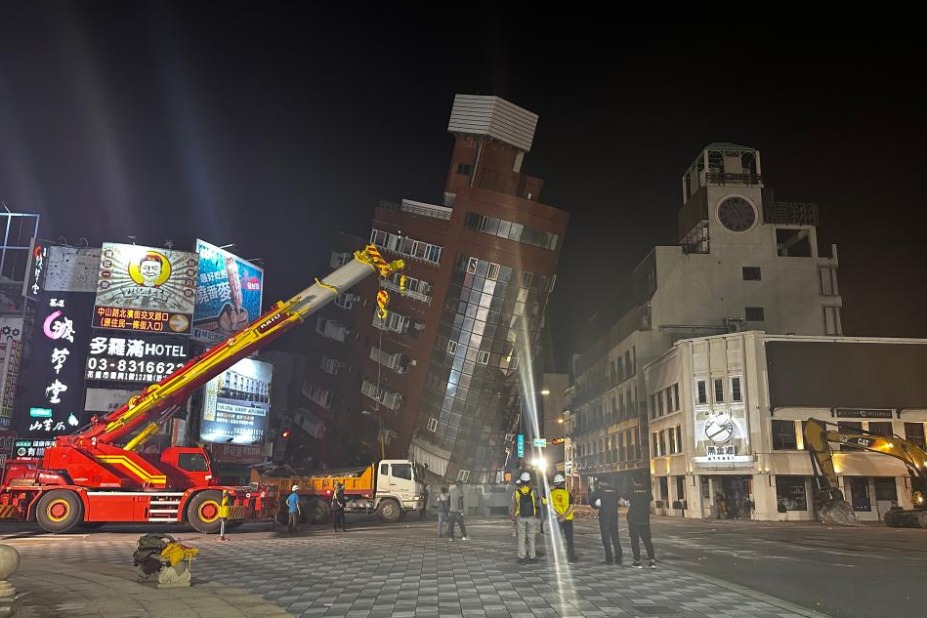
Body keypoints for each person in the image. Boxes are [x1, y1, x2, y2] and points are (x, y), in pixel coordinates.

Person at [626, 474, 656, 568]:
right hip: (644, 518)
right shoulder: (647, 490)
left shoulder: (630, 490)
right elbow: (650, 500)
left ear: (634, 481)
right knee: (647, 540)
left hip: (633, 519)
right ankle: (652, 561)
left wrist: (627, 503)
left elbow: (621, 501)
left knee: (635, 541)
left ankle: (637, 561)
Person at [590, 479, 622, 565]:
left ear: (600, 482)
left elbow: (592, 501)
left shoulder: (599, 490)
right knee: (615, 537)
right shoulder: (615, 489)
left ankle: (609, 559)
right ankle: (618, 559)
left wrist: (596, 506)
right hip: (614, 516)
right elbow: (619, 502)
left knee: (606, 538)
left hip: (604, 516)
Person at [511, 471, 541, 564]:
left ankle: (521, 557)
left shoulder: (516, 492)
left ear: (521, 481)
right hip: (531, 516)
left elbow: (514, 505)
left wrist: (513, 516)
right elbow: (537, 501)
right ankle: (532, 556)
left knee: (521, 537)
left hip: (521, 516)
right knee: (531, 537)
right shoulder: (533, 491)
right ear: (529, 481)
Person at [549, 474, 576, 563]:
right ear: (562, 483)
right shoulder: (567, 494)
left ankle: (555, 558)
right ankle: (571, 558)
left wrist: (558, 515)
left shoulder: (551, 494)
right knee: (569, 539)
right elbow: (571, 506)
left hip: (556, 519)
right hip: (567, 519)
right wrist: (564, 516)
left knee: (556, 539)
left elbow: (550, 507)